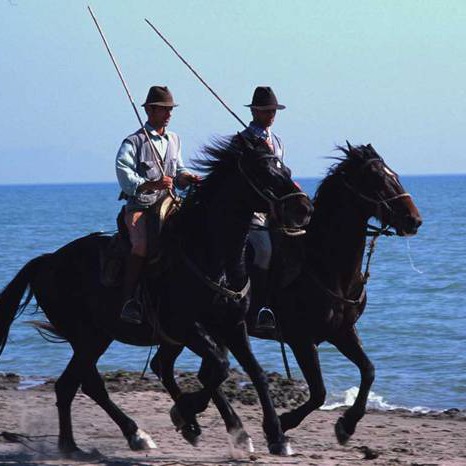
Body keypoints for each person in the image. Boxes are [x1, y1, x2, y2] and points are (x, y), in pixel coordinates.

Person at [115, 85, 199, 324]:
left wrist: (187, 177)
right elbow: (123, 172)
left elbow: (178, 170)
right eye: (164, 109)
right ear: (150, 110)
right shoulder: (134, 141)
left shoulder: (174, 139)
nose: (169, 114)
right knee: (141, 244)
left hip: (169, 202)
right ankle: (129, 300)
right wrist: (150, 184)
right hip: (140, 205)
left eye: (170, 109)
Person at [241, 86, 286, 331]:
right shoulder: (245, 140)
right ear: (256, 111)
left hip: (276, 209)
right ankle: (261, 305)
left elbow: (282, 173)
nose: (271, 115)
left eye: (274, 111)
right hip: (254, 210)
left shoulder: (277, 141)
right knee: (265, 249)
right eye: (267, 111)